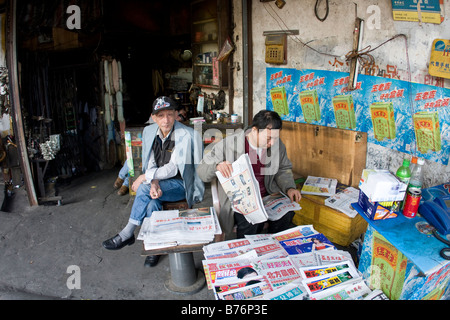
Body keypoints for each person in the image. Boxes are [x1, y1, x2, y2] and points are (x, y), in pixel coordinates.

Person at [102, 96, 205, 267]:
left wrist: (144, 178)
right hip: (161, 183)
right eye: (161, 115)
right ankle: (154, 248)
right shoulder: (149, 132)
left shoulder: (186, 135)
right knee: (152, 204)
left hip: (182, 185)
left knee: (142, 189)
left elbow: (173, 168)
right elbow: (151, 161)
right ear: (153, 117)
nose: (166, 120)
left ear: (176, 115)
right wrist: (154, 182)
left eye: (170, 114)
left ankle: (127, 233)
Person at [197, 110, 301, 239]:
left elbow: (283, 169)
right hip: (241, 199)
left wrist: (289, 187)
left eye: (276, 138)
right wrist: (216, 166)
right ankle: (248, 252)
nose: (273, 143)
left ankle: (273, 247)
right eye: (269, 138)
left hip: (268, 195)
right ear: (254, 130)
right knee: (250, 220)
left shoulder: (277, 146)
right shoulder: (228, 145)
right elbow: (201, 171)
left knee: (287, 215)